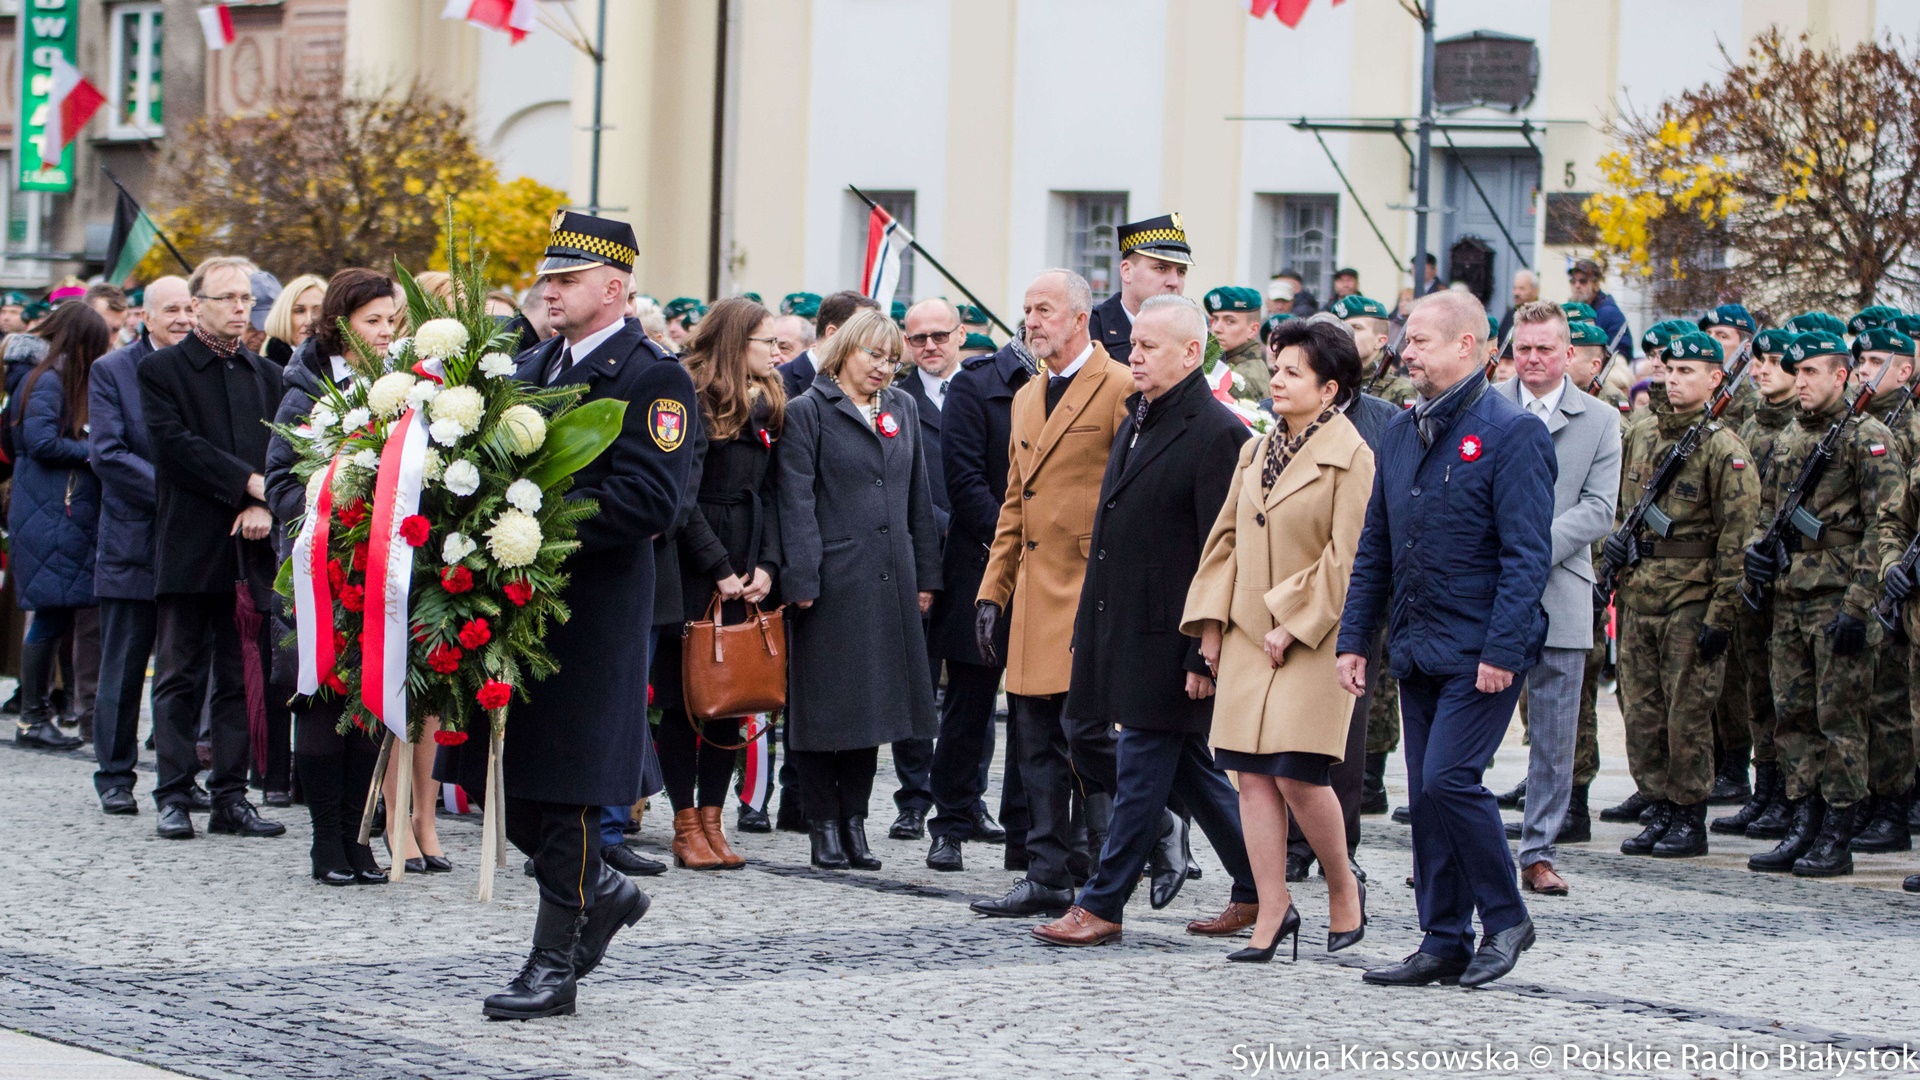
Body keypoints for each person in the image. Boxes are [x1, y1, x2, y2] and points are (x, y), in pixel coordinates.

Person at [482, 212, 696, 1021]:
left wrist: (535, 522)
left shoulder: (652, 376)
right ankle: (601, 891)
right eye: (548, 278)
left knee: (568, 793)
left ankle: (553, 965)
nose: (550, 291)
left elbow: (650, 501)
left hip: (595, 614)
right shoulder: (532, 364)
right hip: (521, 609)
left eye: (567, 279)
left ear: (614, 288)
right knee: (518, 792)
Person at [1337, 289, 1556, 989]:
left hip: (1481, 648)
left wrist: (1502, 650)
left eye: (1420, 341)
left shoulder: (1511, 432)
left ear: (1468, 346)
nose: (1406, 352)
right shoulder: (1402, 431)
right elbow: (1376, 546)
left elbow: (1527, 556)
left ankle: (1507, 918)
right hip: (1418, 644)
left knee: (1450, 781)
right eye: (1407, 340)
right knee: (1427, 796)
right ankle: (1442, 937)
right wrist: (1355, 638)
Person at [1028, 295, 1257, 948]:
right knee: (1172, 764)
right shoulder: (1138, 415)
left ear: (1192, 353)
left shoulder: (1218, 433)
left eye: (1150, 347)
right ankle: (1260, 889)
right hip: (1115, 622)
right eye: (1134, 344)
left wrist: (1201, 652)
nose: (1136, 356)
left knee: (1142, 769)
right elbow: (1111, 528)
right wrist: (1087, 627)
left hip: (1172, 636)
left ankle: (1103, 903)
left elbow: (1222, 551)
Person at [1172, 314, 1375, 961]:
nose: (1278, 380)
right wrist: (1210, 624)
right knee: (1250, 776)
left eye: (1293, 372)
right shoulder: (1255, 450)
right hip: (1246, 634)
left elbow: (1348, 557)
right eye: (1277, 368)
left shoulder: (1353, 455)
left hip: (1313, 639)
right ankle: (1273, 907)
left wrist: (1294, 622)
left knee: (1297, 775)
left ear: (1330, 389)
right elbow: (1224, 541)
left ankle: (1342, 887)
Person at [971, 270, 1134, 919]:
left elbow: (1134, 494)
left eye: (1044, 310)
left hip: (1091, 588)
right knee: (1035, 743)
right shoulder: (1027, 395)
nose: (1031, 321)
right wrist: (992, 591)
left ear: (1079, 318)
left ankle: (1139, 833)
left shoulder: (1119, 386)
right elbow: (1016, 500)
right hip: (1035, 591)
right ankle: (1047, 874)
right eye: (1027, 310)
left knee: (1086, 736)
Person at [774, 308, 942, 870]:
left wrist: (926, 574)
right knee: (825, 710)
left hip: (890, 579)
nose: (884, 368)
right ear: (845, 350)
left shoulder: (902, 408)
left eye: (893, 359)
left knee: (873, 710)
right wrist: (802, 578)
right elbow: (795, 501)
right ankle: (823, 825)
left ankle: (854, 823)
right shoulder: (808, 411)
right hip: (831, 582)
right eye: (874, 355)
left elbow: (918, 494)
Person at [1741, 328, 1902, 879]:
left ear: (1842, 375)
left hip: (1838, 600)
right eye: (1798, 372)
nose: (1801, 381)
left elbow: (1884, 528)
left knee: (1841, 722)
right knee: (1793, 718)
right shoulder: (1791, 435)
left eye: (1811, 371)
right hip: (1790, 597)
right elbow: (1767, 510)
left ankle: (1837, 830)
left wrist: (1860, 605)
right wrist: (1757, 553)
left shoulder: (1868, 438)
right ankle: (1804, 820)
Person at [137, 255, 285, 842]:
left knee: (239, 675)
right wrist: (247, 484)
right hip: (190, 541)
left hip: (250, 546)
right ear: (197, 305)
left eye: (246, 298)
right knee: (178, 673)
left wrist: (264, 503)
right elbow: (174, 446)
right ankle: (174, 793)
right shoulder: (163, 370)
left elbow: (282, 452)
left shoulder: (266, 374)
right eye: (227, 298)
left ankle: (231, 796)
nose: (240, 308)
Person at [262, 268, 400, 885]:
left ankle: (357, 836)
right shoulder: (306, 389)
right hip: (319, 570)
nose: (385, 332)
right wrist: (339, 508)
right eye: (373, 321)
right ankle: (325, 841)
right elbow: (280, 482)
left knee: (369, 708)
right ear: (341, 325)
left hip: (380, 569)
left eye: (391, 320)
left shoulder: (401, 387)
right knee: (321, 706)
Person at [1602, 330, 1756, 865]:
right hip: (1639, 592)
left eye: (1688, 371)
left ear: (1715, 379)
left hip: (1691, 598)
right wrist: (1612, 557)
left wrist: (1721, 615)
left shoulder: (1723, 448)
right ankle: (1659, 804)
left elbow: (1737, 541)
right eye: (1669, 369)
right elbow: (1618, 507)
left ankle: (1689, 815)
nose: (1673, 379)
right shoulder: (1641, 433)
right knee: (1642, 711)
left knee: (1687, 714)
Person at [1488, 301, 1621, 895]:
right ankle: (1459, 845)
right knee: (1472, 729)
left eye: (1545, 348)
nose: (1533, 359)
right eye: (1523, 348)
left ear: (1569, 354)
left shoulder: (1599, 419)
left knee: (1555, 733)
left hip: (1561, 588)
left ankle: (1538, 852)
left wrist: (1529, 548)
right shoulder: (1487, 406)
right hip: (1489, 592)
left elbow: (1599, 509)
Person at [657, 296, 785, 871]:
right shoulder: (692, 396)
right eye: (767, 342)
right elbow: (683, 499)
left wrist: (767, 566)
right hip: (692, 567)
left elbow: (774, 495)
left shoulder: (768, 401)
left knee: (732, 697)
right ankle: (685, 824)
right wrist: (719, 567)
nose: (777, 352)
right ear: (738, 343)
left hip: (748, 562)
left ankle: (714, 820)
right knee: (686, 701)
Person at [925, 333, 1034, 873]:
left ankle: (1025, 833)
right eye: (1034, 312)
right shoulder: (977, 383)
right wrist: (1017, 539)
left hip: (1048, 574)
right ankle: (949, 824)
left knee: (1035, 713)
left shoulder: (1076, 384)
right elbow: (963, 482)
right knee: (968, 707)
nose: (1039, 323)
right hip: (983, 564)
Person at [87, 277, 197, 805]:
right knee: (124, 666)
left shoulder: (202, 367)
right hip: (135, 539)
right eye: (170, 309)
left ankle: (180, 779)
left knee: (186, 670)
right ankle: (114, 776)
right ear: (144, 317)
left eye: (189, 308)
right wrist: (178, 493)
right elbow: (107, 453)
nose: (182, 318)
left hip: (194, 544)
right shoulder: (112, 370)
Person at [8, 303, 109, 752]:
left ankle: (36, 715)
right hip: (49, 509)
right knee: (50, 613)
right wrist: (94, 451)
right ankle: (33, 718)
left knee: (54, 612)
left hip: (48, 507)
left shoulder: (46, 375)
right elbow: (41, 442)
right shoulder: (48, 379)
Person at [885, 298, 968, 841]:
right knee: (915, 682)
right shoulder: (895, 400)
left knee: (970, 687)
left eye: (940, 335)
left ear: (961, 334)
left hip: (975, 555)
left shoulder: (984, 390)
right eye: (918, 339)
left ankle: (965, 800)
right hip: (917, 556)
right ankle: (913, 799)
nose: (930, 346)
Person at [1714, 328, 1799, 839]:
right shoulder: (1749, 423)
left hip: (1790, 576)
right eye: (1759, 361)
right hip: (1752, 569)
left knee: (1788, 693)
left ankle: (1789, 796)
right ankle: (1764, 790)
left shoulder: (1802, 427)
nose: (1762, 369)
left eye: (1774, 362)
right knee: (1757, 690)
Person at [1845, 327, 1919, 852]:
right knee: (1884, 704)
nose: (1863, 371)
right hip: (1895, 595)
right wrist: (1892, 564)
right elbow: (1895, 518)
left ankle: (1894, 806)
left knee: (1892, 707)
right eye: (1861, 361)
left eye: (1875, 361)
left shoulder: (1906, 429)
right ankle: (1878, 803)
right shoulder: (1859, 426)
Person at [1088, 214, 1190, 364]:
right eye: (1161, 268)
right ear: (1127, 271)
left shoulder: (1194, 336)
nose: (1174, 282)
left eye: (1181, 271)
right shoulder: (1088, 331)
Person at [778, 291, 877, 401]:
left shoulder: (872, 384)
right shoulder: (779, 382)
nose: (873, 342)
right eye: (863, 333)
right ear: (832, 334)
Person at [1332, 295, 1415, 409]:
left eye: (1356, 328)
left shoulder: (1401, 391)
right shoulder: (1326, 383)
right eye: (1340, 327)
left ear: (1380, 341)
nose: (1345, 333)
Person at [1567, 259, 1633, 364]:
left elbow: (1622, 354)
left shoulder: (1610, 313)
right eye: (1573, 281)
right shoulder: (1572, 313)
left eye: (1583, 281)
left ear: (1596, 284)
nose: (1577, 285)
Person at [1206, 287, 1268, 395]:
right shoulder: (1233, 364)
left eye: (1230, 321)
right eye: (1215, 319)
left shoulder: (1240, 380)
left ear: (1253, 330)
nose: (1216, 329)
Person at [260, 273, 327, 366]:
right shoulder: (265, 370)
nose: (309, 321)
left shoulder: (342, 367)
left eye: (318, 311)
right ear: (283, 316)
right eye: (300, 311)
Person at [1494, 269, 1539, 345]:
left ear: (1535, 291)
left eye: (1522, 288)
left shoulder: (1541, 316)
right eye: (1514, 288)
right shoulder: (1510, 315)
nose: (1516, 293)